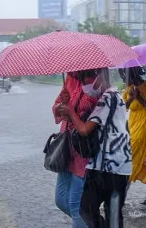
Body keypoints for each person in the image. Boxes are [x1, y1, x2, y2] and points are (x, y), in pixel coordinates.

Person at [59, 68, 132, 228]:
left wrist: (70, 110)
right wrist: (68, 106)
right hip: (106, 165)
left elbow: (84, 129)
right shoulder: (110, 96)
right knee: (88, 208)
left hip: (113, 167)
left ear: (99, 77)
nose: (85, 86)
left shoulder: (109, 98)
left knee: (107, 213)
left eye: (86, 81)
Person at [52, 71, 100, 228]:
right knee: (60, 200)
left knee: (74, 205)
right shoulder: (70, 80)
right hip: (66, 147)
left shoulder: (95, 82)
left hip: (82, 149)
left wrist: (70, 110)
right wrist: (61, 105)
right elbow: (56, 106)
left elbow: (92, 111)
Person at [122, 67, 146, 204]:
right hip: (131, 127)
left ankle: (122, 193)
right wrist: (131, 97)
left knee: (132, 160)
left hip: (143, 128)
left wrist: (140, 97)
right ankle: (122, 194)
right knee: (133, 159)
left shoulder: (145, 86)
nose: (127, 78)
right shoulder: (128, 89)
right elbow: (123, 107)